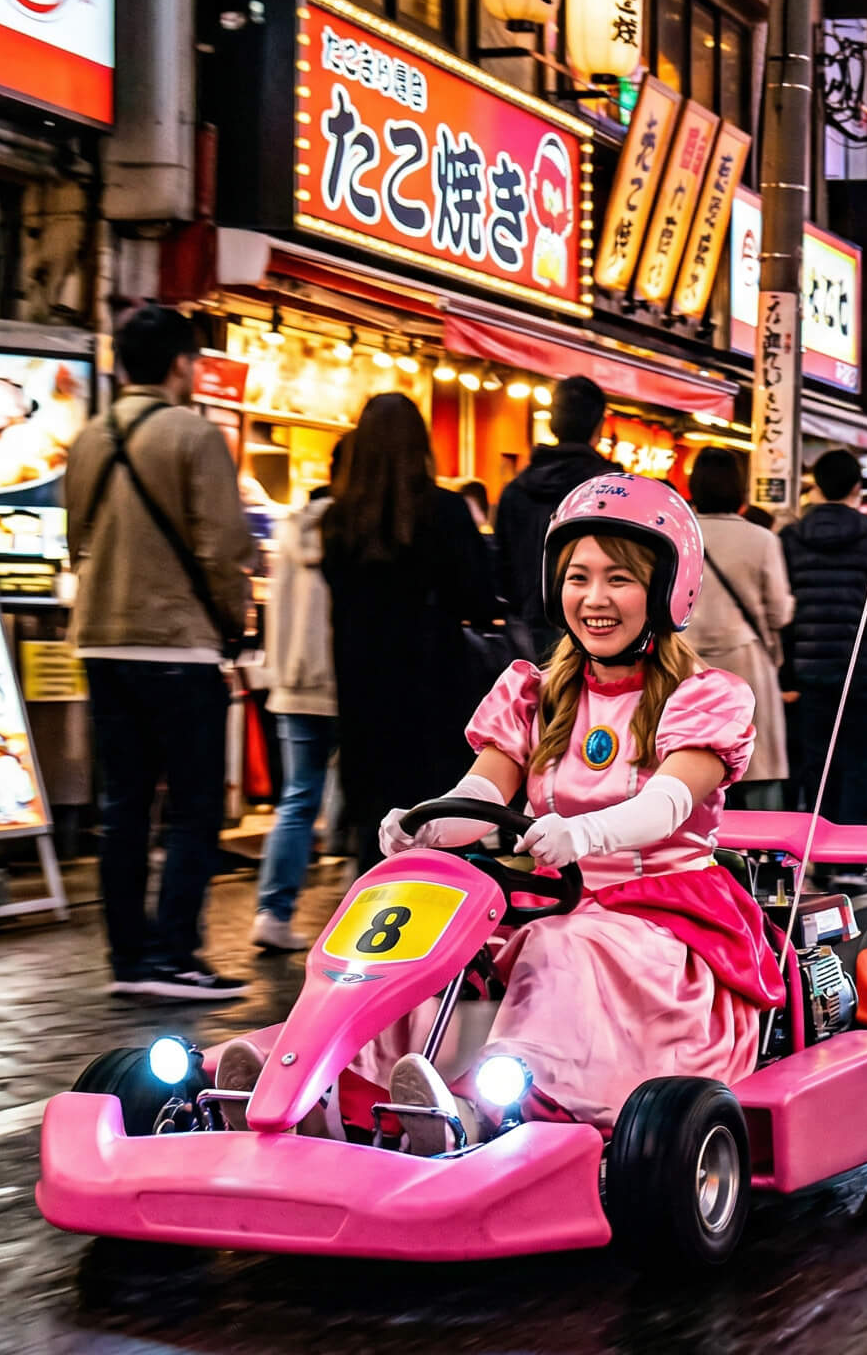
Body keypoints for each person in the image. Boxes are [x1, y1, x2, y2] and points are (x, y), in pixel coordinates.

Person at [295, 473, 783, 1147]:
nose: (595, 598)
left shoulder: (704, 696)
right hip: (554, 894)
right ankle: (345, 1092)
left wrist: (584, 832)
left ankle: (493, 1108)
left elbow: (666, 805)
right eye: (578, 577)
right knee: (436, 941)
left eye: (619, 579)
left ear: (668, 589)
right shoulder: (536, 691)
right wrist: (421, 824)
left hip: (664, 913)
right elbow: (484, 794)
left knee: (558, 949)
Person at [67, 303, 256, 1004]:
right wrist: (232, 622)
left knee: (122, 808)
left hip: (101, 639)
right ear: (184, 364)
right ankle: (175, 953)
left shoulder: (89, 435)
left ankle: (128, 955)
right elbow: (222, 546)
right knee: (194, 806)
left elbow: (74, 534)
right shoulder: (193, 434)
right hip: (177, 641)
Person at [320, 392, 502, 868]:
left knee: (376, 838)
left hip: (363, 698)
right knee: (442, 829)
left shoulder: (339, 521)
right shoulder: (445, 511)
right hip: (434, 694)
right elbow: (480, 601)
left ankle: (370, 934)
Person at [779, 449, 867, 859]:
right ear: (856, 487)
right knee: (859, 758)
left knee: (817, 759)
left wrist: (792, 662)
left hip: (808, 667)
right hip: (861, 665)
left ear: (815, 484)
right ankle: (851, 855)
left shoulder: (791, 537)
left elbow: (784, 610)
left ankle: (817, 850)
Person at [255, 469, 335, 952]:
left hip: (291, 682)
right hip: (341, 684)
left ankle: (273, 911)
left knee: (298, 798)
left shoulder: (287, 532)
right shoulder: (350, 529)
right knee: (369, 804)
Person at [687, 448, 793, 810]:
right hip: (746, 662)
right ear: (739, 488)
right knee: (756, 764)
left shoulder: (678, 536)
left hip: (684, 663)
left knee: (687, 757)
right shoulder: (762, 540)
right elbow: (779, 613)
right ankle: (762, 857)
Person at [491, 377, 610, 656]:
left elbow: (501, 572)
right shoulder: (611, 489)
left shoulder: (515, 490)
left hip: (526, 638)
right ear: (599, 426)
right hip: (594, 635)